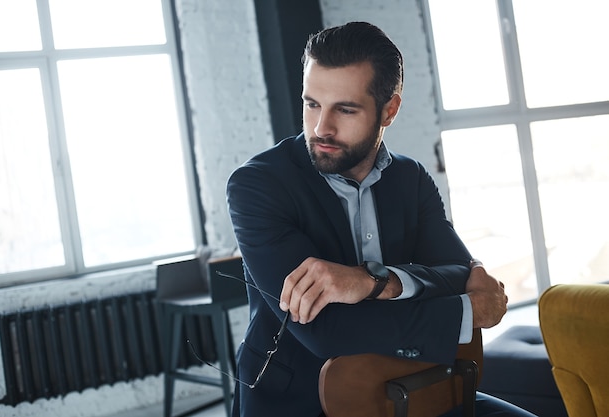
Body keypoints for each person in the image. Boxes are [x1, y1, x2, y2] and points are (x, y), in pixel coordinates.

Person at [226, 21, 535, 417]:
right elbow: (326, 332)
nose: (321, 127)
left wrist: (372, 282)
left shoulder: (412, 178)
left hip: (417, 387)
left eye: (345, 109)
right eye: (312, 103)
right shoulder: (257, 186)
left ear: (389, 109)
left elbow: (458, 272)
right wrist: (465, 310)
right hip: (301, 404)